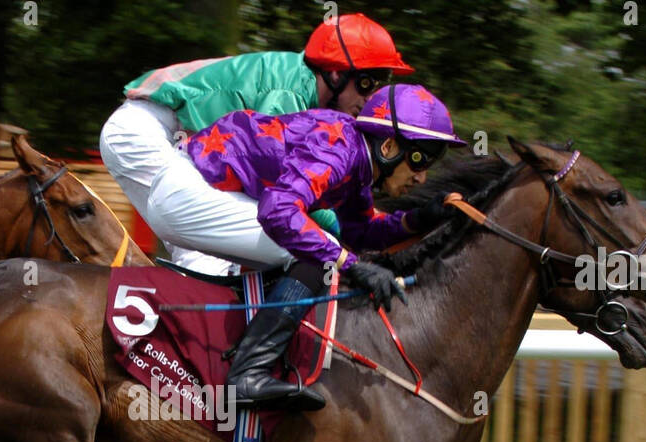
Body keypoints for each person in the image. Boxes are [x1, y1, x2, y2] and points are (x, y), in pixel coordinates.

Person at [156, 83, 464, 411]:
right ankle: (248, 372)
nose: (422, 178)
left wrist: (419, 219)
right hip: (188, 190)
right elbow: (278, 209)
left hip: (197, 189)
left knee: (322, 246)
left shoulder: (356, 162)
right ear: (389, 147)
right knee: (318, 248)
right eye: (420, 160)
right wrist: (351, 265)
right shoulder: (339, 148)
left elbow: (360, 233)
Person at [99, 13, 413, 275]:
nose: (369, 100)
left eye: (377, 87)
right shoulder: (288, 97)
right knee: (211, 260)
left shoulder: (303, 84)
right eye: (366, 84)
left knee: (227, 251)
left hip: (164, 133)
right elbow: (281, 188)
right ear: (334, 73)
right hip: (142, 132)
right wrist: (341, 228)